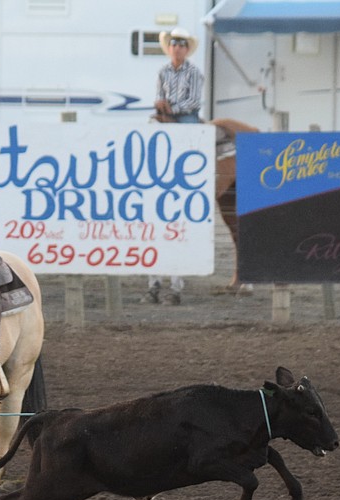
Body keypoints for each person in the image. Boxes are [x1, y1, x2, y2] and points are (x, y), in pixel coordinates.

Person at [147, 28, 205, 304]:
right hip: (166, 112)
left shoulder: (194, 73)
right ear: (169, 48)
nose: (177, 48)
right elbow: (158, 94)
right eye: (174, 44)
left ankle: (193, 168)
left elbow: (194, 102)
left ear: (186, 49)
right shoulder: (163, 72)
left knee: (191, 133)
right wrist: (161, 105)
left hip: (185, 115)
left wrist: (172, 107)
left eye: (181, 44)